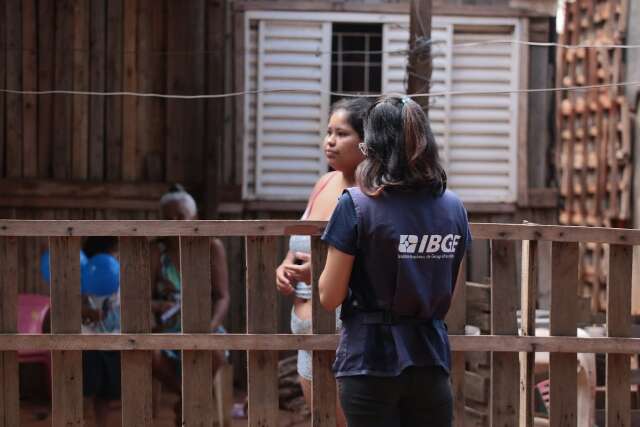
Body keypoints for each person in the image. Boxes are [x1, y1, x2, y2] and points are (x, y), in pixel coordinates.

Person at [318, 95, 471, 427]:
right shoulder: (454, 208)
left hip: (369, 361)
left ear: (372, 146)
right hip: (430, 358)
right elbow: (450, 292)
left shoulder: (356, 205)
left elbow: (329, 296)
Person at [275, 97, 371, 426]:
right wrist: (285, 268)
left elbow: (374, 261)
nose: (330, 141)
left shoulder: (373, 193)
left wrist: (314, 272)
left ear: (367, 141)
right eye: (328, 132)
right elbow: (299, 244)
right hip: (306, 332)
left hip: (348, 331)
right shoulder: (324, 183)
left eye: (341, 133)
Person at [150, 184, 230, 426]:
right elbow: (140, 298)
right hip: (166, 330)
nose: (174, 222)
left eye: (180, 216)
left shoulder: (211, 247)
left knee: (214, 352)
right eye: (168, 218)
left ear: (194, 217)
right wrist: (156, 306)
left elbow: (222, 296)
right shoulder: (156, 251)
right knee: (147, 354)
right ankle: (188, 399)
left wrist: (211, 325)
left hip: (203, 325)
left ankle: (185, 404)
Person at [80, 236, 121, 427]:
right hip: (89, 341)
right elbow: (70, 304)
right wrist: (86, 311)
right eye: (114, 251)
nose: (117, 256)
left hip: (113, 339)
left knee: (106, 394)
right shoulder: (84, 274)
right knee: (85, 390)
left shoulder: (119, 274)